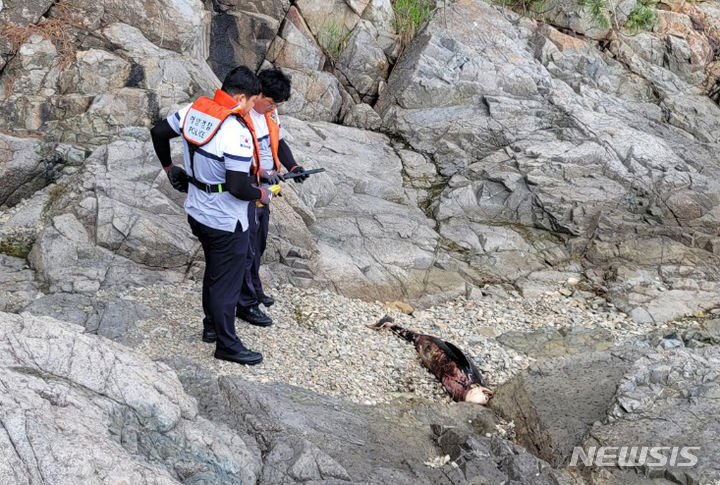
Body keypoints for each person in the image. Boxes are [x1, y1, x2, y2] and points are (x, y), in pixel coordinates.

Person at [150, 66, 274, 365]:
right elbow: (237, 186)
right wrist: (262, 194)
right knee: (226, 282)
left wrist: (170, 169)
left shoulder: (194, 110)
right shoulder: (236, 131)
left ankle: (211, 327)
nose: (248, 110)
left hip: (197, 209)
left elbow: (158, 132)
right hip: (226, 219)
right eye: (250, 103)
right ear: (241, 97)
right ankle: (226, 344)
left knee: (216, 273)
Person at [235, 67, 309, 326]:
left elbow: (280, 142)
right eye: (270, 102)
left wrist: (294, 167)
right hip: (249, 189)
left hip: (267, 190)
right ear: (258, 94)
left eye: (276, 105)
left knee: (259, 245)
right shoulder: (242, 116)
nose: (272, 108)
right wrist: (261, 174)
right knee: (247, 250)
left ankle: (254, 289)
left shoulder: (269, 113)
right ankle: (246, 304)